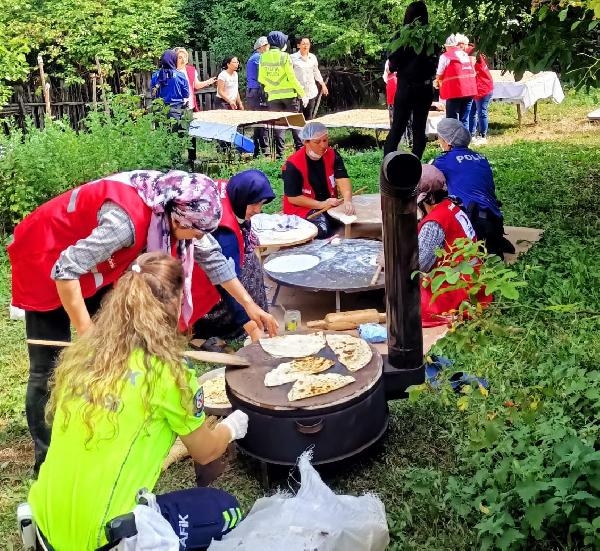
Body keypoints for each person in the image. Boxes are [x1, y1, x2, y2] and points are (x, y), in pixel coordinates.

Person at [8, 170, 278, 474]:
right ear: (176, 220)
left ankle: (104, 423)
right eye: (197, 232)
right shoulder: (126, 224)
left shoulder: (177, 206)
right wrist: (87, 333)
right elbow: (66, 269)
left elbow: (212, 258)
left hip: (96, 263)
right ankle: (47, 462)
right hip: (49, 258)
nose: (201, 237)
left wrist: (250, 306)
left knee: (119, 348)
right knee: (48, 369)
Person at [28, 252, 249, 550]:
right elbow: (206, 453)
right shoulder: (169, 374)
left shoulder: (84, 354)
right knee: (226, 508)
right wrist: (233, 427)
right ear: (174, 304)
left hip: (45, 520)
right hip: (101, 539)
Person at [194, 169, 275, 342]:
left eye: (261, 204)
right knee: (247, 274)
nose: (258, 210)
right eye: (254, 204)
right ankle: (239, 329)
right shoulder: (225, 234)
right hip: (204, 296)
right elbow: (224, 281)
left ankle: (256, 315)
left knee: (251, 262)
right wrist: (249, 324)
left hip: (204, 273)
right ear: (241, 197)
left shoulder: (226, 192)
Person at [416, 165, 492, 326]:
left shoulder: (434, 223)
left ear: (425, 198)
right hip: (472, 279)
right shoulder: (452, 206)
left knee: (405, 303)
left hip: (456, 288)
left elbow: (421, 264)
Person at [432, 118, 515, 258]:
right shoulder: (481, 157)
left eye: (440, 138)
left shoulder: (442, 161)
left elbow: (426, 180)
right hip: (495, 221)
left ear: (447, 142)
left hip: (473, 226)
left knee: (431, 194)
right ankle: (494, 241)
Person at [383, 1, 437, 159]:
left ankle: (388, 164)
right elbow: (436, 61)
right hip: (425, 87)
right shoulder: (431, 36)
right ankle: (415, 163)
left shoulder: (401, 35)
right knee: (419, 127)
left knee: (397, 127)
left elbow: (392, 64)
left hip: (405, 87)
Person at [282, 121, 355, 238]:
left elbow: (342, 178)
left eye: (325, 140)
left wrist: (347, 200)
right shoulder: (293, 164)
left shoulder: (332, 154)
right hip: (303, 208)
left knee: (350, 221)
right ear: (306, 142)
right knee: (322, 230)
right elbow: (293, 198)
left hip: (328, 204)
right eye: (317, 142)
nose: (323, 145)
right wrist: (321, 204)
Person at [258, 31, 307, 159]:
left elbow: (261, 78)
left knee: (279, 126)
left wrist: (273, 84)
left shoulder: (263, 57)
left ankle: (280, 155)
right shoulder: (285, 56)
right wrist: (302, 93)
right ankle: (301, 154)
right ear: (280, 42)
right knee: (296, 123)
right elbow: (291, 77)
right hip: (289, 95)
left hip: (273, 97)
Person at [290, 37, 329, 149]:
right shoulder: (292, 58)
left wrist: (323, 84)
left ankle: (310, 142)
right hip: (298, 93)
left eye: (307, 44)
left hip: (311, 91)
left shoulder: (313, 57)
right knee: (298, 118)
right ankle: (299, 144)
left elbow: (316, 72)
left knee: (309, 117)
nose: (305, 46)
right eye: (303, 44)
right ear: (298, 45)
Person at [434, 33, 477, 129]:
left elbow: (439, 74)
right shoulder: (464, 54)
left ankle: (453, 142)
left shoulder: (445, 56)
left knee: (452, 120)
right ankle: (464, 142)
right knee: (464, 119)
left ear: (447, 46)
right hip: (469, 91)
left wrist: (437, 82)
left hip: (455, 91)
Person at [246, 36, 271, 157]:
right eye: (267, 46)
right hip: (258, 92)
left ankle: (256, 151)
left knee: (257, 122)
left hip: (253, 92)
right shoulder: (258, 58)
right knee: (263, 121)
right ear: (261, 47)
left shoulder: (253, 58)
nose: (268, 48)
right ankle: (266, 151)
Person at [150, 49, 190, 120]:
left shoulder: (155, 75)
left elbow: (153, 94)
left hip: (159, 111)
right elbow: (186, 94)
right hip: (176, 111)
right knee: (175, 130)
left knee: (161, 130)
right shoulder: (180, 75)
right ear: (174, 60)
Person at [174, 47, 217, 112]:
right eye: (180, 58)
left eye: (185, 57)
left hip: (190, 105)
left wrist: (208, 81)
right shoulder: (171, 71)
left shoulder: (191, 70)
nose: (183, 60)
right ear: (174, 59)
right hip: (176, 106)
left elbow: (196, 85)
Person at [466, 45, 494, 144]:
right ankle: (471, 135)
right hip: (474, 88)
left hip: (483, 87)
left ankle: (483, 136)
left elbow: (471, 63)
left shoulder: (472, 52)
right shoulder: (469, 50)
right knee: (471, 112)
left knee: (481, 112)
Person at [382, 59, 398, 126]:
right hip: (402, 90)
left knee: (393, 111)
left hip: (393, 88)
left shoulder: (389, 61)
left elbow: (385, 78)